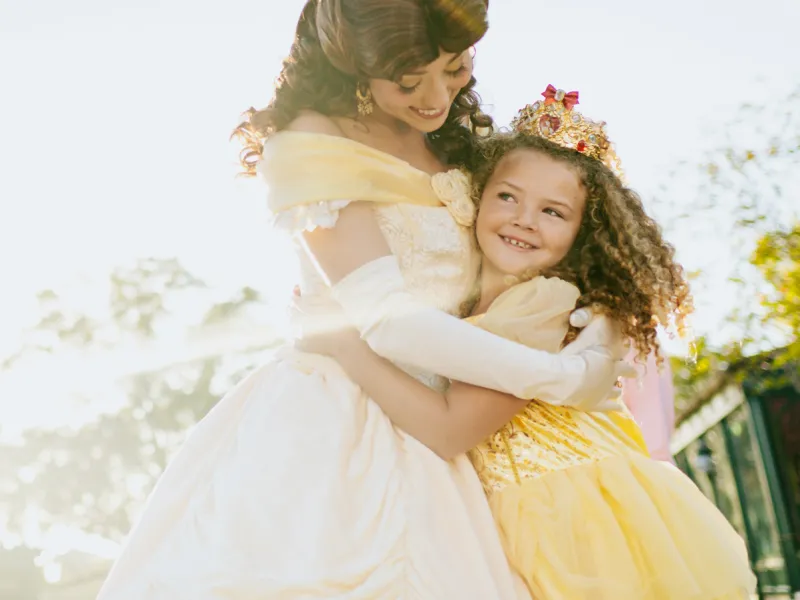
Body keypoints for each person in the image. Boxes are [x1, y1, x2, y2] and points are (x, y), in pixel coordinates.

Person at [96, 3, 629, 598]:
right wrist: (559, 377)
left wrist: (603, 331)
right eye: (408, 81)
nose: (435, 96)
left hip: (451, 420)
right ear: (353, 63)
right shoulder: (312, 144)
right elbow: (390, 325)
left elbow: (565, 244)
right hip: (335, 419)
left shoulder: (460, 140)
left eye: (454, 68)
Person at [298, 88, 758, 599]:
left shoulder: (544, 305)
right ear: (478, 197)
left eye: (553, 212)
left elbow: (448, 429)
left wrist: (344, 345)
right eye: (508, 196)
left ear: (585, 232)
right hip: (518, 514)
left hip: (574, 520)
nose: (524, 219)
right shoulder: (474, 302)